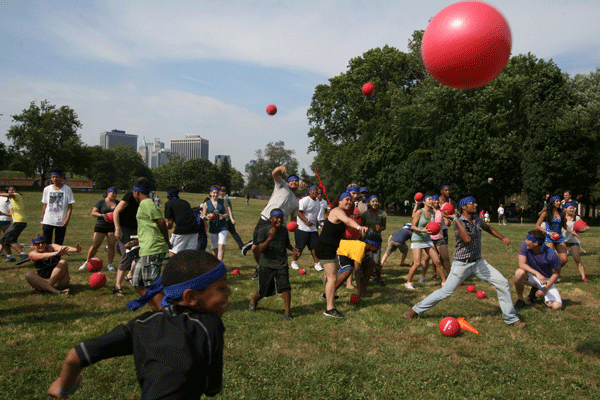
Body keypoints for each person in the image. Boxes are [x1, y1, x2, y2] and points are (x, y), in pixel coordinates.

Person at [47, 250, 230, 400]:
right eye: (222, 288)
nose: (229, 292)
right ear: (190, 297)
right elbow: (212, 389)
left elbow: (74, 357)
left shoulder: (142, 324)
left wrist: (63, 389)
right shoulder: (209, 326)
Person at [404, 194, 526, 328]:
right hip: (461, 264)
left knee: (502, 283)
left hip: (478, 262)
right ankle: (415, 310)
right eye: (472, 203)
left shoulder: (477, 220)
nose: (475, 205)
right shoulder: (458, 222)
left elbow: (487, 228)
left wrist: (502, 238)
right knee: (446, 292)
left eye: (475, 203)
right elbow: (466, 239)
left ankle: (511, 318)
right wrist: (456, 220)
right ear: (463, 206)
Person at [314, 192, 368, 318]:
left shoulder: (341, 212)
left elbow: (341, 231)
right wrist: (359, 227)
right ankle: (330, 308)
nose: (349, 202)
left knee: (331, 277)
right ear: (339, 201)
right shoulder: (337, 211)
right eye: (346, 199)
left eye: (350, 200)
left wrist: (357, 234)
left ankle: (328, 296)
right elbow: (348, 221)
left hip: (331, 248)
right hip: (325, 248)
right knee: (333, 278)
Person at [243, 166, 300, 280]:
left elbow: (293, 218)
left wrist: (293, 225)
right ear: (288, 182)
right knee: (255, 249)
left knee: (274, 250)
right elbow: (274, 174)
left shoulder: (296, 202)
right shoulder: (282, 185)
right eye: (292, 180)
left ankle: (273, 272)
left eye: (296, 181)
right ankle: (260, 267)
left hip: (279, 225)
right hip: (265, 219)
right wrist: (279, 169)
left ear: (298, 184)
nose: (294, 182)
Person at [248, 208, 300, 320]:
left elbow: (286, 243)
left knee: (285, 287)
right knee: (264, 289)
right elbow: (261, 249)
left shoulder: (284, 230)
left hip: (281, 263)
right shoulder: (263, 230)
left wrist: (293, 249)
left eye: (281, 218)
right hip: (266, 263)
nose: (279, 220)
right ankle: (253, 301)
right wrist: (270, 237)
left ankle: (287, 313)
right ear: (271, 219)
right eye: (277, 218)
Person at [131, 177, 171, 311]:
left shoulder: (147, 203)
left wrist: (167, 241)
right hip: (146, 249)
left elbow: (161, 222)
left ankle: (168, 315)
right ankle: (158, 311)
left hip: (153, 249)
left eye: (133, 192)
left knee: (151, 285)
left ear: (136, 192)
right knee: (138, 282)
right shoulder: (145, 205)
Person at [405, 194, 446, 290]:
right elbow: (413, 226)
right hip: (417, 239)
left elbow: (434, 225)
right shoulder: (419, 212)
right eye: (429, 199)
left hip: (427, 239)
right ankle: (408, 282)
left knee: (437, 261)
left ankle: (444, 282)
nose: (431, 201)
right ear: (423, 202)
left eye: (432, 199)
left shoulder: (432, 213)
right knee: (417, 263)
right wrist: (422, 230)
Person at [514, 231, 562, 310]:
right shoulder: (524, 245)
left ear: (536, 243)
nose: (525, 242)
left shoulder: (551, 255)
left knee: (557, 306)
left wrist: (544, 289)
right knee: (519, 272)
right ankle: (520, 299)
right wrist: (537, 273)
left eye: (528, 240)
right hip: (530, 276)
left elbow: (556, 274)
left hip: (545, 280)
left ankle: (540, 294)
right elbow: (522, 264)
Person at [331, 232, 382, 299]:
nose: (378, 249)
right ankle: (329, 293)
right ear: (371, 245)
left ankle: (363, 290)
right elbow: (357, 270)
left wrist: (377, 276)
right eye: (377, 247)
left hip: (350, 256)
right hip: (340, 253)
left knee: (370, 263)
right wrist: (358, 291)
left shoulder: (367, 248)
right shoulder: (361, 248)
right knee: (347, 270)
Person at [79, 187, 119, 273]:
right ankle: (87, 262)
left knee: (111, 245)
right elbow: (93, 212)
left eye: (116, 193)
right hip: (100, 226)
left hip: (112, 227)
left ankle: (110, 264)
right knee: (95, 245)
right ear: (108, 193)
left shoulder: (118, 203)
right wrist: (102, 215)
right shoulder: (101, 202)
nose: (115, 195)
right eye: (113, 193)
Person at [536, 194, 577, 268]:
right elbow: (537, 226)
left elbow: (564, 225)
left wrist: (572, 232)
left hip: (559, 237)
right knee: (550, 258)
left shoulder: (561, 212)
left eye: (559, 201)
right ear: (552, 203)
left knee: (564, 259)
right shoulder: (546, 213)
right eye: (557, 201)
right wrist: (548, 233)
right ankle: (544, 272)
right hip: (549, 237)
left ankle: (554, 271)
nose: (559, 203)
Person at [113, 187, 140, 296]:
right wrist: (118, 229)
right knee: (126, 255)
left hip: (137, 229)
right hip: (125, 229)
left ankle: (130, 275)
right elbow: (116, 212)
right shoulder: (129, 196)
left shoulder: (144, 200)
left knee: (137, 255)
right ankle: (117, 286)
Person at [41, 168, 75, 245]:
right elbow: (45, 205)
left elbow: (70, 207)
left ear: (61, 177)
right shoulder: (47, 189)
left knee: (59, 243)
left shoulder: (67, 189)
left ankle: (57, 257)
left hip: (61, 220)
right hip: (48, 220)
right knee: (46, 242)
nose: (55, 179)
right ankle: (47, 257)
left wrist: (67, 220)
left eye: (57, 177)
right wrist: (42, 220)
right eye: (53, 177)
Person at [291, 185, 322, 271]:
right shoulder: (304, 200)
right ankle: (294, 262)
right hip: (302, 228)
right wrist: (306, 221)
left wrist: (316, 227)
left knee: (315, 247)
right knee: (300, 247)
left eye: (316, 190)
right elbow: (298, 212)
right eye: (313, 190)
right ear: (309, 191)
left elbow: (315, 216)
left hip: (313, 229)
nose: (315, 192)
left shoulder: (317, 203)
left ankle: (317, 264)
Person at [164, 186, 199, 257]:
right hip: (195, 229)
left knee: (173, 253)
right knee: (190, 254)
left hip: (182, 230)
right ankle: (188, 268)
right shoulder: (185, 202)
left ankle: (175, 268)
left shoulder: (169, 204)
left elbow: (170, 223)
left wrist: (163, 229)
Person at [360, 195, 387, 285]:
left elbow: (384, 226)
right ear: (369, 203)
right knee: (365, 258)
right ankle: (364, 276)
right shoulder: (365, 214)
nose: (375, 203)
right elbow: (362, 226)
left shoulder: (382, 214)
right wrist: (363, 232)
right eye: (373, 201)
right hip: (367, 239)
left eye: (376, 201)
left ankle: (378, 278)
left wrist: (380, 228)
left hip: (376, 240)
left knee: (377, 261)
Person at [0, 186, 30, 265]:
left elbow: (10, 195)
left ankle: (23, 255)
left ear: (17, 191)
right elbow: (12, 214)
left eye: (13, 190)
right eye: (10, 190)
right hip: (16, 221)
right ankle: (10, 257)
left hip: (19, 221)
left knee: (10, 239)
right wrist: (2, 213)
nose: (11, 191)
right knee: (3, 240)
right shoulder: (13, 201)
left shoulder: (17, 195)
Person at [563, 201, 589, 283]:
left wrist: (585, 229)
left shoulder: (577, 218)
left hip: (573, 240)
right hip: (562, 240)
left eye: (573, 208)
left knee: (577, 258)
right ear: (565, 209)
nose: (572, 209)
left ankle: (584, 277)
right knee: (562, 259)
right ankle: (555, 274)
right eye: (570, 208)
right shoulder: (561, 217)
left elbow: (586, 226)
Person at [202, 186, 229, 261]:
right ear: (210, 193)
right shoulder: (206, 204)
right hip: (213, 227)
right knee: (215, 249)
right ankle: (215, 264)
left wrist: (223, 215)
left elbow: (228, 213)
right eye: (214, 193)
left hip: (223, 227)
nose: (215, 195)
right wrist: (207, 217)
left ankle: (220, 265)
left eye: (217, 193)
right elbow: (203, 216)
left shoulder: (222, 202)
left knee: (221, 246)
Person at [219, 186, 246, 251]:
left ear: (223, 192)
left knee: (220, 233)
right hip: (226, 219)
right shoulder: (226, 198)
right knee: (233, 233)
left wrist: (231, 219)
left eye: (220, 191)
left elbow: (228, 208)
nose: (219, 193)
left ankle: (216, 247)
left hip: (227, 220)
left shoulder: (225, 199)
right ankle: (241, 245)